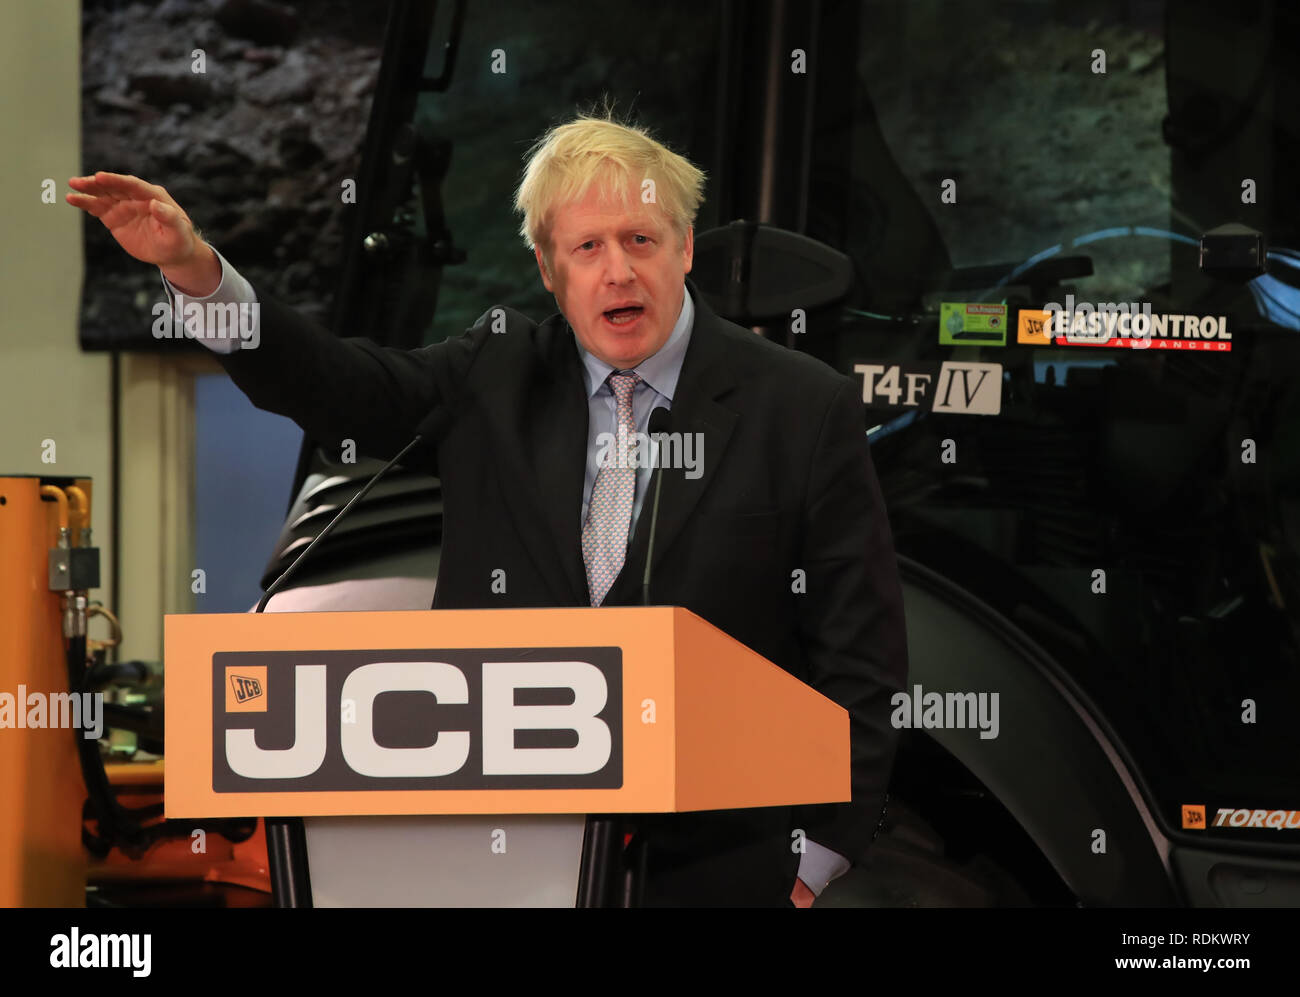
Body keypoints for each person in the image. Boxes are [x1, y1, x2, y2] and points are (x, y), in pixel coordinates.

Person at [67, 113, 909, 907]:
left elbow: (862, 651)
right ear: (550, 270)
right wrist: (198, 274)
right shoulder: (497, 371)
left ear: (684, 247)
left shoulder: (801, 408)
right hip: (502, 854)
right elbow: (342, 386)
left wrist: (819, 855)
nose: (618, 270)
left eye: (640, 240)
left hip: (715, 865)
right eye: (587, 247)